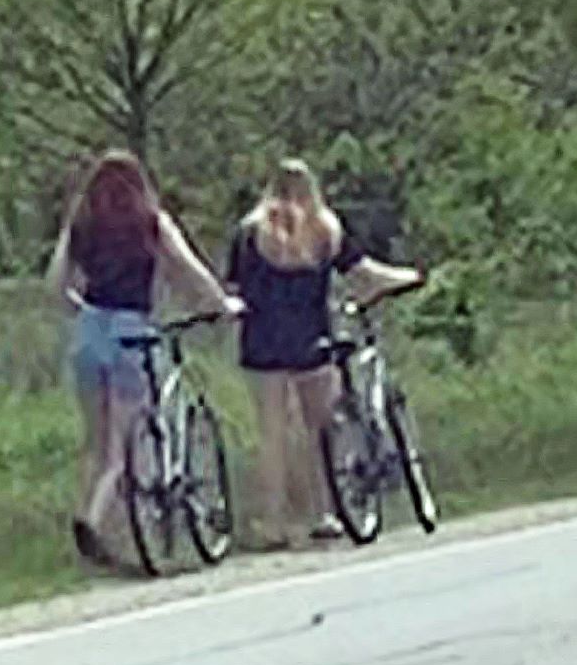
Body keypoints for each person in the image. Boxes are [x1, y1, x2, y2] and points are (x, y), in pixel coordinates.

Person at [46, 151, 241, 566]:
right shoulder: (150, 221)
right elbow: (188, 270)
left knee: (96, 444)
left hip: (89, 332)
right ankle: (95, 523)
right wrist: (221, 304)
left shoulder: (81, 223)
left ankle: (101, 528)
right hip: (132, 333)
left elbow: (55, 282)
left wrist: (75, 306)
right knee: (123, 449)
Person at [226, 160, 421, 548]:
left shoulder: (249, 234)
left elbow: (233, 287)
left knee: (273, 433)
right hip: (312, 338)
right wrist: (407, 276)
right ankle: (324, 513)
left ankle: (273, 521)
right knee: (320, 431)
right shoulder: (325, 229)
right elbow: (364, 273)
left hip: (262, 339)